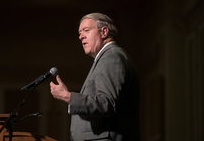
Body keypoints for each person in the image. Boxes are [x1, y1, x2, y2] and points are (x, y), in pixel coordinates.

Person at [50, 13, 140, 141]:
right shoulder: (106, 58)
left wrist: (68, 97)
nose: (81, 36)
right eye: (80, 33)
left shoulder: (111, 56)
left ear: (104, 32)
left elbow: (107, 103)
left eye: (86, 30)